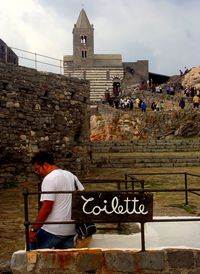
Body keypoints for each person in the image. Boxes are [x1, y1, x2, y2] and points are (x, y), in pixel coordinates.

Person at [29, 151, 84, 250]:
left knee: (32, 249)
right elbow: (83, 195)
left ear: (45, 165)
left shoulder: (49, 179)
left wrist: (34, 229)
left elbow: (47, 206)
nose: (38, 173)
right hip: (71, 229)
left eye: (37, 169)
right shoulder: (71, 175)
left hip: (53, 229)